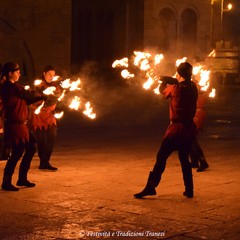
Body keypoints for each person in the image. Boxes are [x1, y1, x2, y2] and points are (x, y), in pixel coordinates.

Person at [134, 62, 198, 199]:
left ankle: (151, 187)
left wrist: (163, 81)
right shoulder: (194, 87)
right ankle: (189, 189)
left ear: (179, 74)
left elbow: (162, 91)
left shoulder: (176, 89)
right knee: (184, 159)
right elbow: (183, 83)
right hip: (189, 128)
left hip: (176, 130)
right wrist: (173, 79)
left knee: (161, 157)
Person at [0, 62, 46, 191]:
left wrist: (41, 96)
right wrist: (41, 95)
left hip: (22, 125)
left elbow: (28, 98)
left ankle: (22, 178)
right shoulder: (10, 87)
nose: (20, 73)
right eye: (17, 71)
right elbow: (28, 96)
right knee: (17, 152)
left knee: (31, 148)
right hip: (15, 125)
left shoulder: (14, 87)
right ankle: (6, 181)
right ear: (10, 73)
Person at [29, 65, 60, 171]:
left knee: (52, 136)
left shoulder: (56, 86)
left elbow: (58, 98)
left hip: (49, 115)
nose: (51, 76)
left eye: (53, 74)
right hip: (38, 115)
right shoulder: (38, 85)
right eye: (49, 74)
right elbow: (33, 98)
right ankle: (43, 161)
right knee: (41, 140)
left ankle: (45, 161)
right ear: (44, 74)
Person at [190, 86, 209, 172]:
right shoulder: (197, 92)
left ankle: (203, 162)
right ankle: (194, 162)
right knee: (190, 139)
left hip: (198, 114)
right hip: (196, 113)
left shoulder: (200, 93)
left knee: (191, 139)